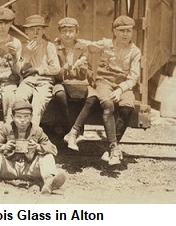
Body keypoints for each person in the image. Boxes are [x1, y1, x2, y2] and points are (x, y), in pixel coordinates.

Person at [0, 100, 66, 194]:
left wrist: (38, 147)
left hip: (29, 168)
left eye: (26, 117)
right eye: (19, 117)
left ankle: (49, 182)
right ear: (12, 117)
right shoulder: (6, 128)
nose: (23, 120)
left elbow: (53, 149)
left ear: (31, 117)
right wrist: (4, 146)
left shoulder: (37, 131)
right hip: (10, 167)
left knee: (47, 155)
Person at [86, 15, 141, 165]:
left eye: (128, 31)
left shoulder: (135, 51)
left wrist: (121, 90)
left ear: (132, 32)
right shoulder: (106, 43)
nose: (125, 34)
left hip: (123, 84)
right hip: (104, 81)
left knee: (128, 107)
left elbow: (133, 77)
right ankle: (114, 148)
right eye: (121, 30)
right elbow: (89, 46)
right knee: (108, 105)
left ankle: (111, 147)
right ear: (114, 31)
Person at [53, 17, 98, 151]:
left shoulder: (82, 48)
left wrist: (82, 70)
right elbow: (54, 72)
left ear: (76, 33)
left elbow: (87, 72)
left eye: (71, 31)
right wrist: (64, 70)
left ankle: (73, 131)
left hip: (79, 83)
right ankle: (72, 130)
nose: (67, 34)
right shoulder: (55, 48)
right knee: (60, 94)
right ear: (59, 33)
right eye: (64, 31)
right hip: (60, 81)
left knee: (92, 97)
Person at [15, 15, 61, 126]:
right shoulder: (23, 46)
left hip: (45, 81)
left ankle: (32, 134)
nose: (35, 33)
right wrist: (27, 55)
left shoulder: (49, 46)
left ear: (43, 31)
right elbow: (19, 70)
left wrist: (37, 70)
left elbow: (56, 68)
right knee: (18, 99)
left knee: (38, 103)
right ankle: (21, 131)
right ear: (26, 31)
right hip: (28, 81)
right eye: (32, 29)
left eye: (38, 29)